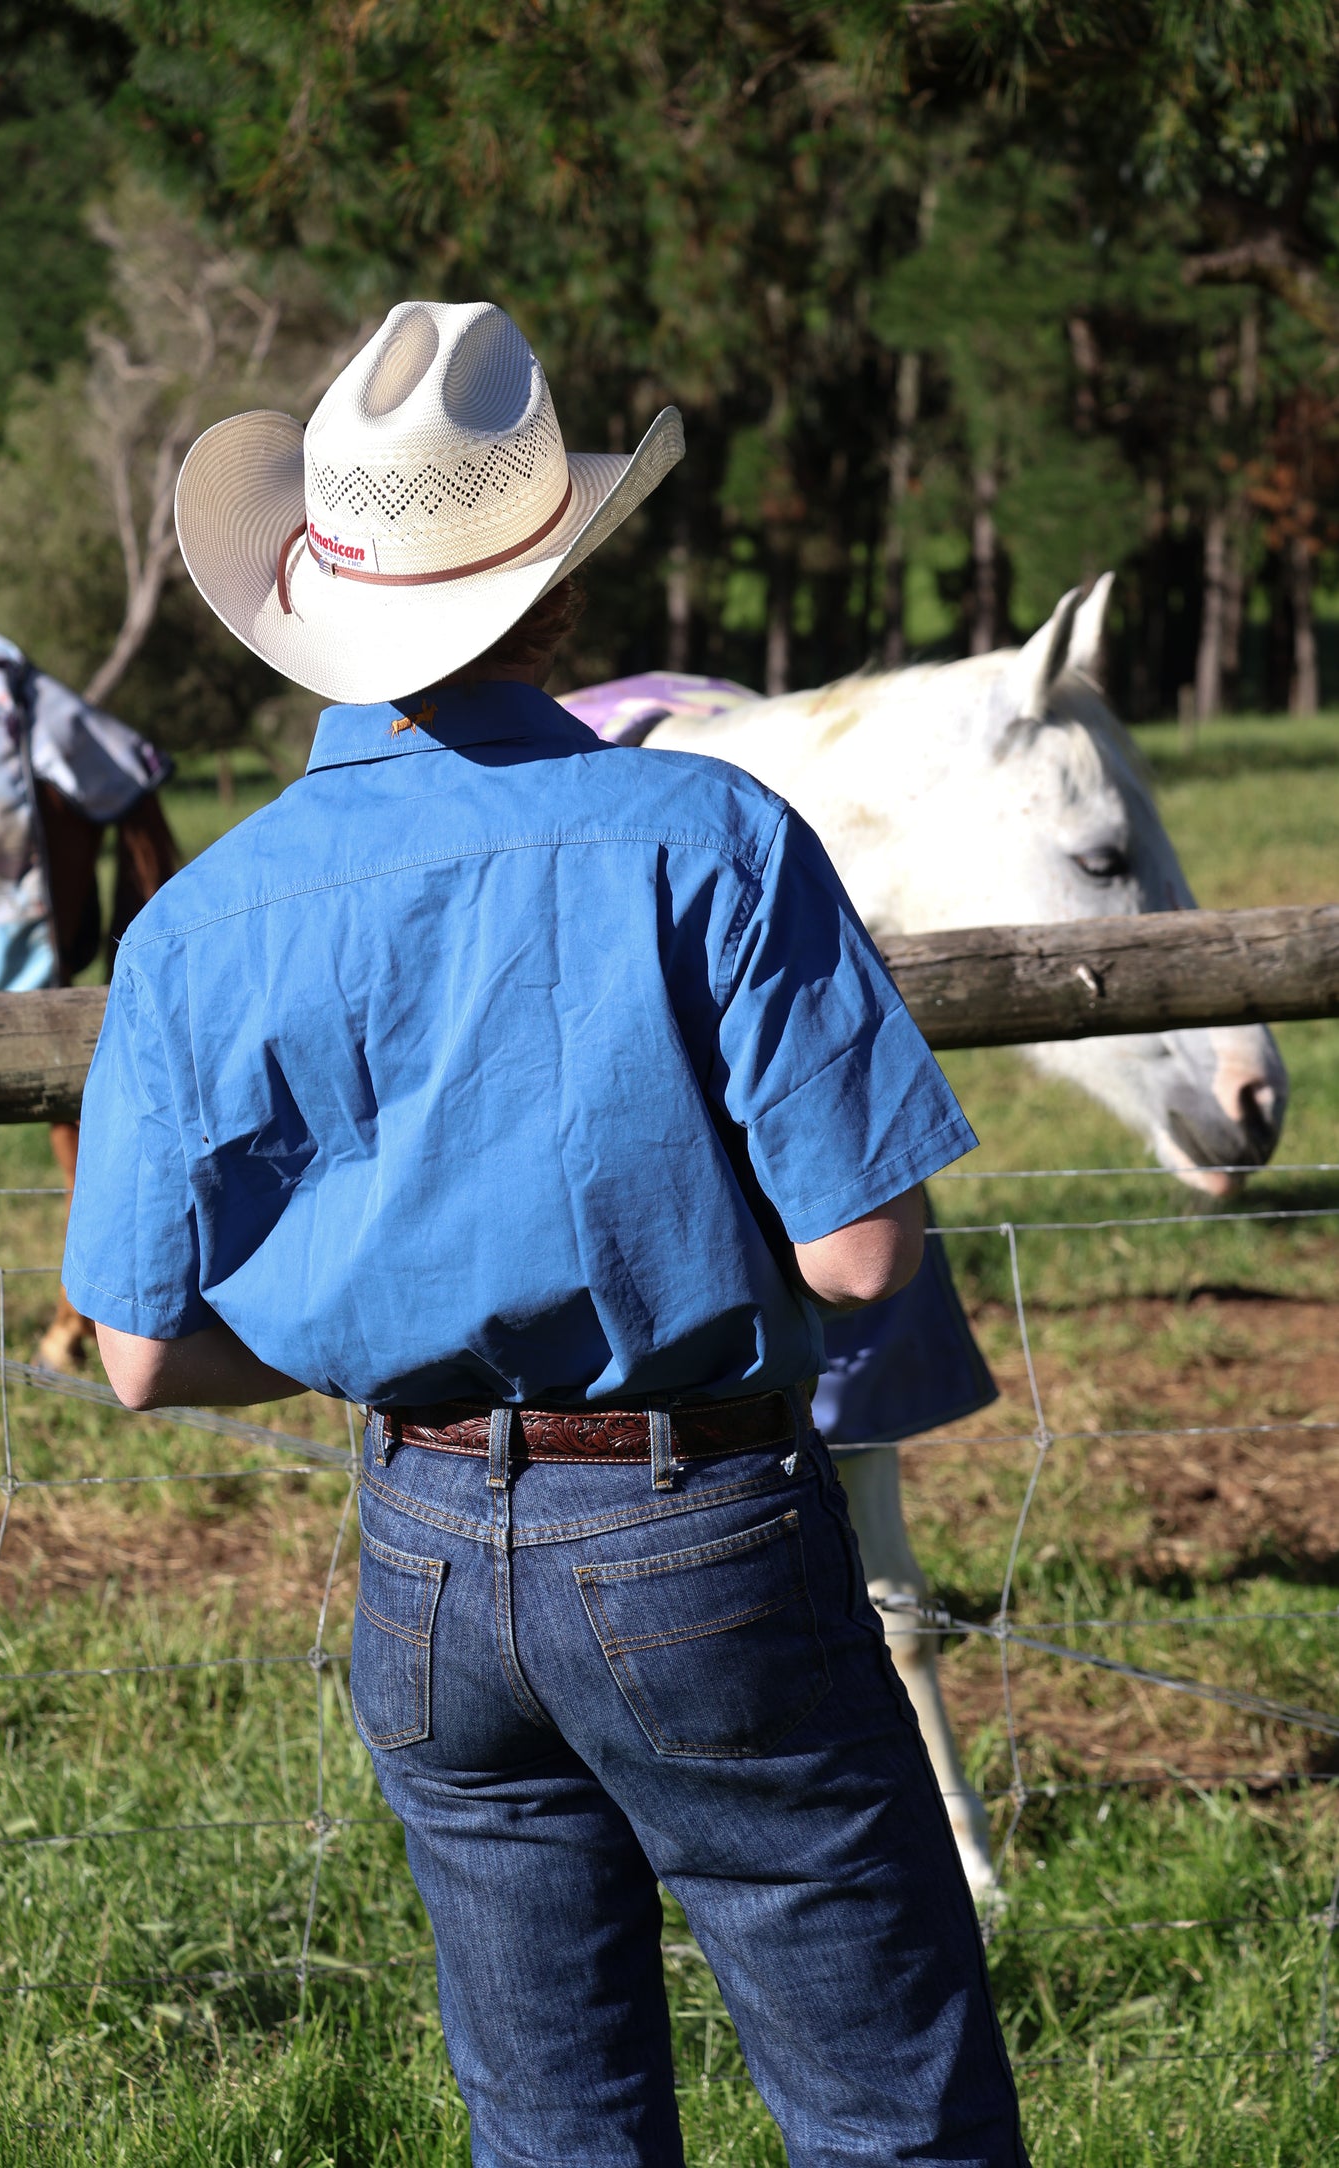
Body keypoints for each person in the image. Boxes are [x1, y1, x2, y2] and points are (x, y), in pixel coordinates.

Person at [65, 300, 1028, 2166]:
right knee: (886, 2115)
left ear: (319, 599)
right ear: (558, 592)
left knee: (553, 2127)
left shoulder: (196, 925)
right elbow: (861, 1257)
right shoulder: (706, 836)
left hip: (419, 1549)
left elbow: (137, 1357)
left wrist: (395, 1321)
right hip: (700, 1518)